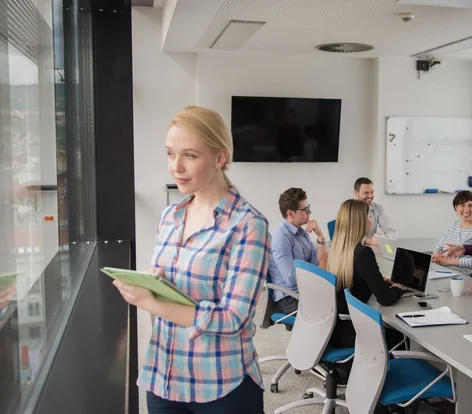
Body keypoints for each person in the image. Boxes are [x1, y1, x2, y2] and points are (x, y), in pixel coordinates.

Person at [112, 106, 268, 413]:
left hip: (221, 384)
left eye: (190, 155)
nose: (176, 166)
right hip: (164, 375)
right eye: (170, 153)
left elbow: (233, 318)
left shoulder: (248, 225)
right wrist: (156, 282)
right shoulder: (171, 216)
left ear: (220, 158)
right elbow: (181, 285)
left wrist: (152, 303)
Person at [327, 199, 404, 349]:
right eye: (368, 217)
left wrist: (378, 281)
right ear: (359, 222)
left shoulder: (337, 249)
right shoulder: (363, 253)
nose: (370, 221)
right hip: (355, 331)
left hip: (336, 329)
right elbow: (385, 299)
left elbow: (354, 278)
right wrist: (397, 288)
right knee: (399, 334)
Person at [268, 188, 328, 314]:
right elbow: (292, 278)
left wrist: (320, 236)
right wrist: (319, 269)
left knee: (339, 297)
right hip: (290, 297)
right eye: (305, 209)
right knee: (328, 310)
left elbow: (319, 261)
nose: (310, 212)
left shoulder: (301, 232)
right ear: (291, 214)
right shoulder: (281, 237)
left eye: (308, 207)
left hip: (306, 289)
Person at [432, 191, 472, 269]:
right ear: (456, 207)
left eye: (471, 205)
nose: (467, 210)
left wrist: (448, 262)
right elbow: (439, 247)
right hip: (439, 267)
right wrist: (436, 255)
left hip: (455, 273)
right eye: (462, 205)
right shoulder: (455, 224)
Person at [353, 177, 396, 246]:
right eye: (366, 193)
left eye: (372, 192)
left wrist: (384, 239)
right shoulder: (348, 209)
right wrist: (368, 241)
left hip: (372, 249)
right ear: (356, 193)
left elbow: (390, 231)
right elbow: (347, 236)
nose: (370, 196)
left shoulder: (377, 208)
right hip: (353, 250)